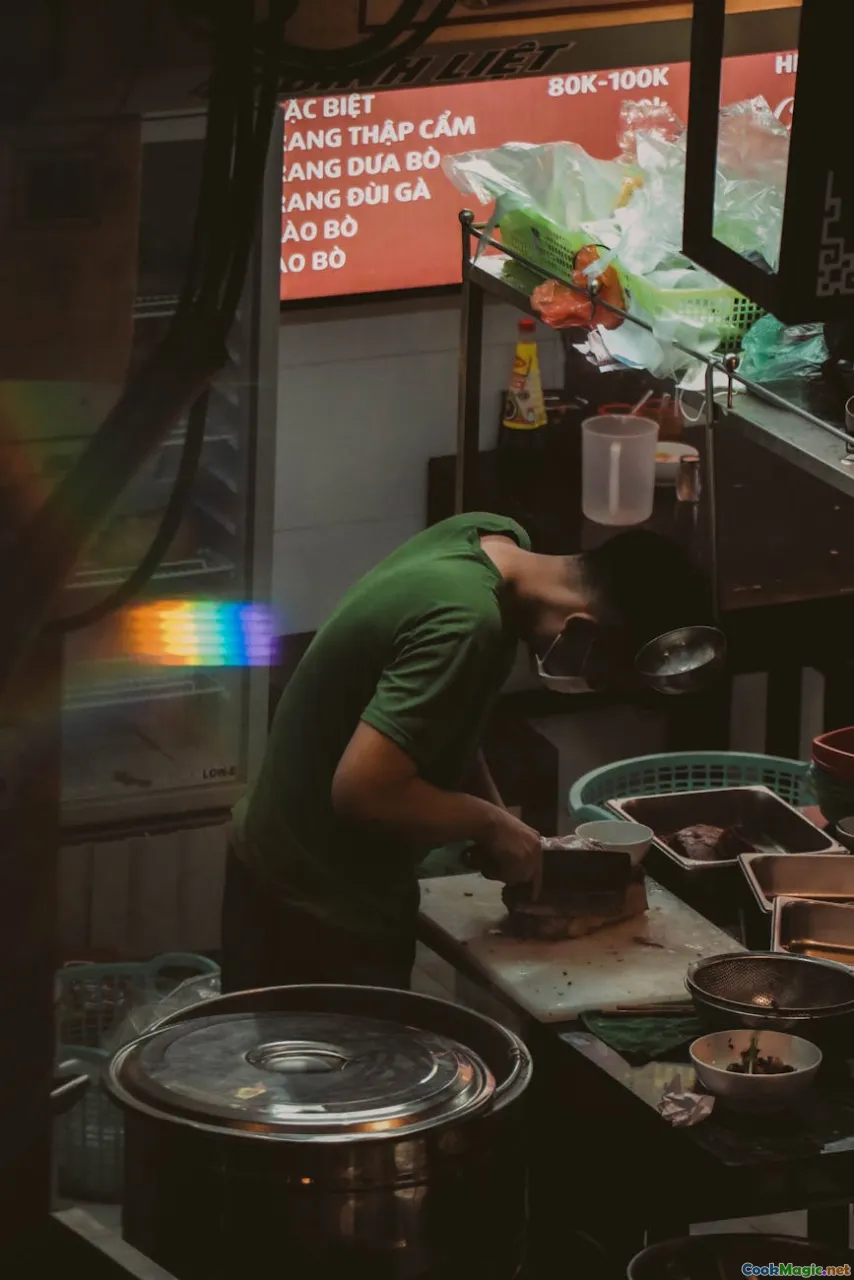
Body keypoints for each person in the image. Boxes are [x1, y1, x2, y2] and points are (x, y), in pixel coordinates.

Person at [221, 512, 709, 993]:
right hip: (312, 906)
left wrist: (500, 821)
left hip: (282, 861)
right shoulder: (466, 624)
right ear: (580, 629)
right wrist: (488, 823)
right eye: (600, 674)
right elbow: (362, 791)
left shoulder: (490, 539)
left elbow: (441, 721)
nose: (590, 683)